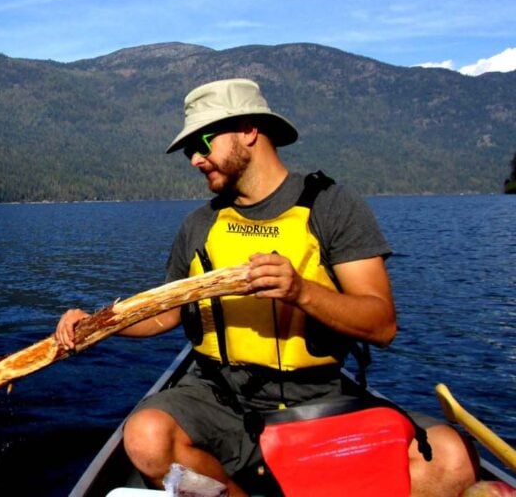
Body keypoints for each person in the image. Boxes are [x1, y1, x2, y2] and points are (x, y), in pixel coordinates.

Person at [55, 78, 477, 496]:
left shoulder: (332, 206)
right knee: (146, 437)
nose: (195, 160)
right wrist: (92, 327)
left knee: (449, 458)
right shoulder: (199, 225)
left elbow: (382, 324)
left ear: (248, 130)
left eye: (203, 143)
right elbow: (166, 311)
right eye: (189, 151)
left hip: (316, 400)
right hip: (218, 396)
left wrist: (301, 291)